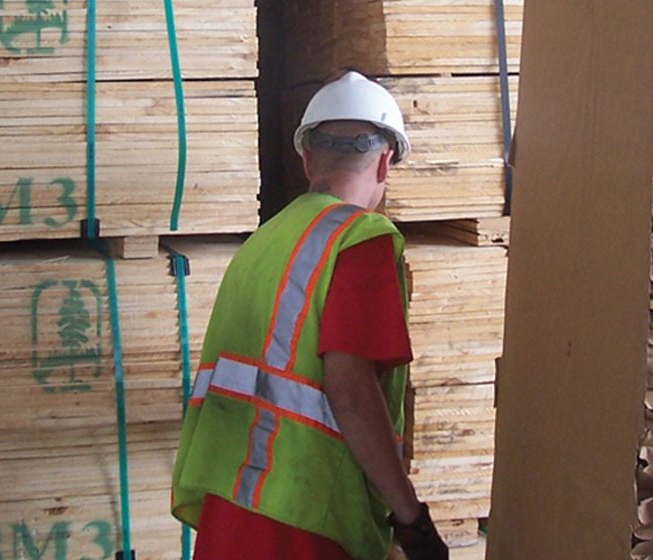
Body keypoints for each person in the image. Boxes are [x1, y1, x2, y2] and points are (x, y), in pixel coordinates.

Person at [172, 71, 449, 560]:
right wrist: (412, 519)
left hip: (229, 509)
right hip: (306, 518)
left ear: (306, 159)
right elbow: (352, 393)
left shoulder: (264, 242)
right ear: (385, 163)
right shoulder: (361, 240)